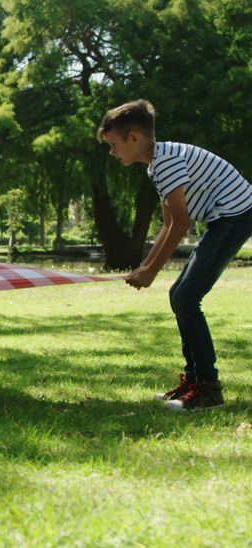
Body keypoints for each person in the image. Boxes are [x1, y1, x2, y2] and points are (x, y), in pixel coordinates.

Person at [98, 99, 252, 411]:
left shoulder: (165, 163)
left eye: (114, 145)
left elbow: (182, 223)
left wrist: (151, 272)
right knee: (179, 294)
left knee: (185, 298)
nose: (112, 153)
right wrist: (145, 265)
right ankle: (194, 381)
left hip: (236, 216)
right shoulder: (159, 162)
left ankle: (209, 390)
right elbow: (169, 223)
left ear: (134, 138)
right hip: (226, 218)